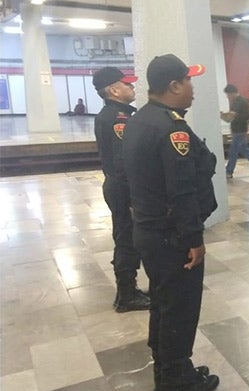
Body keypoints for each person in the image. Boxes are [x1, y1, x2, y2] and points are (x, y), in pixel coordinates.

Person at [123, 54, 219, 391]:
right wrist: (193, 239)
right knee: (180, 305)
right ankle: (177, 379)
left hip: (149, 229)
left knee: (163, 302)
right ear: (174, 85)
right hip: (172, 236)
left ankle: (169, 367)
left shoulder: (139, 120)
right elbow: (181, 190)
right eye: (189, 80)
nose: (193, 87)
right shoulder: (171, 128)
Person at [92, 67, 151, 313]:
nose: (132, 87)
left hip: (118, 186)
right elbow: (122, 161)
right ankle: (126, 295)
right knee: (127, 239)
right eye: (127, 84)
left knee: (126, 236)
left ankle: (128, 290)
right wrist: (133, 197)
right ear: (114, 90)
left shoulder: (115, 115)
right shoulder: (117, 119)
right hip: (122, 188)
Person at [222, 84, 249, 178]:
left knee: (233, 151)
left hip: (239, 130)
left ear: (231, 93)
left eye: (227, 95)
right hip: (240, 129)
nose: (227, 97)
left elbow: (231, 116)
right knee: (245, 149)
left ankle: (229, 172)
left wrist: (221, 115)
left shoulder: (238, 101)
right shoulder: (240, 100)